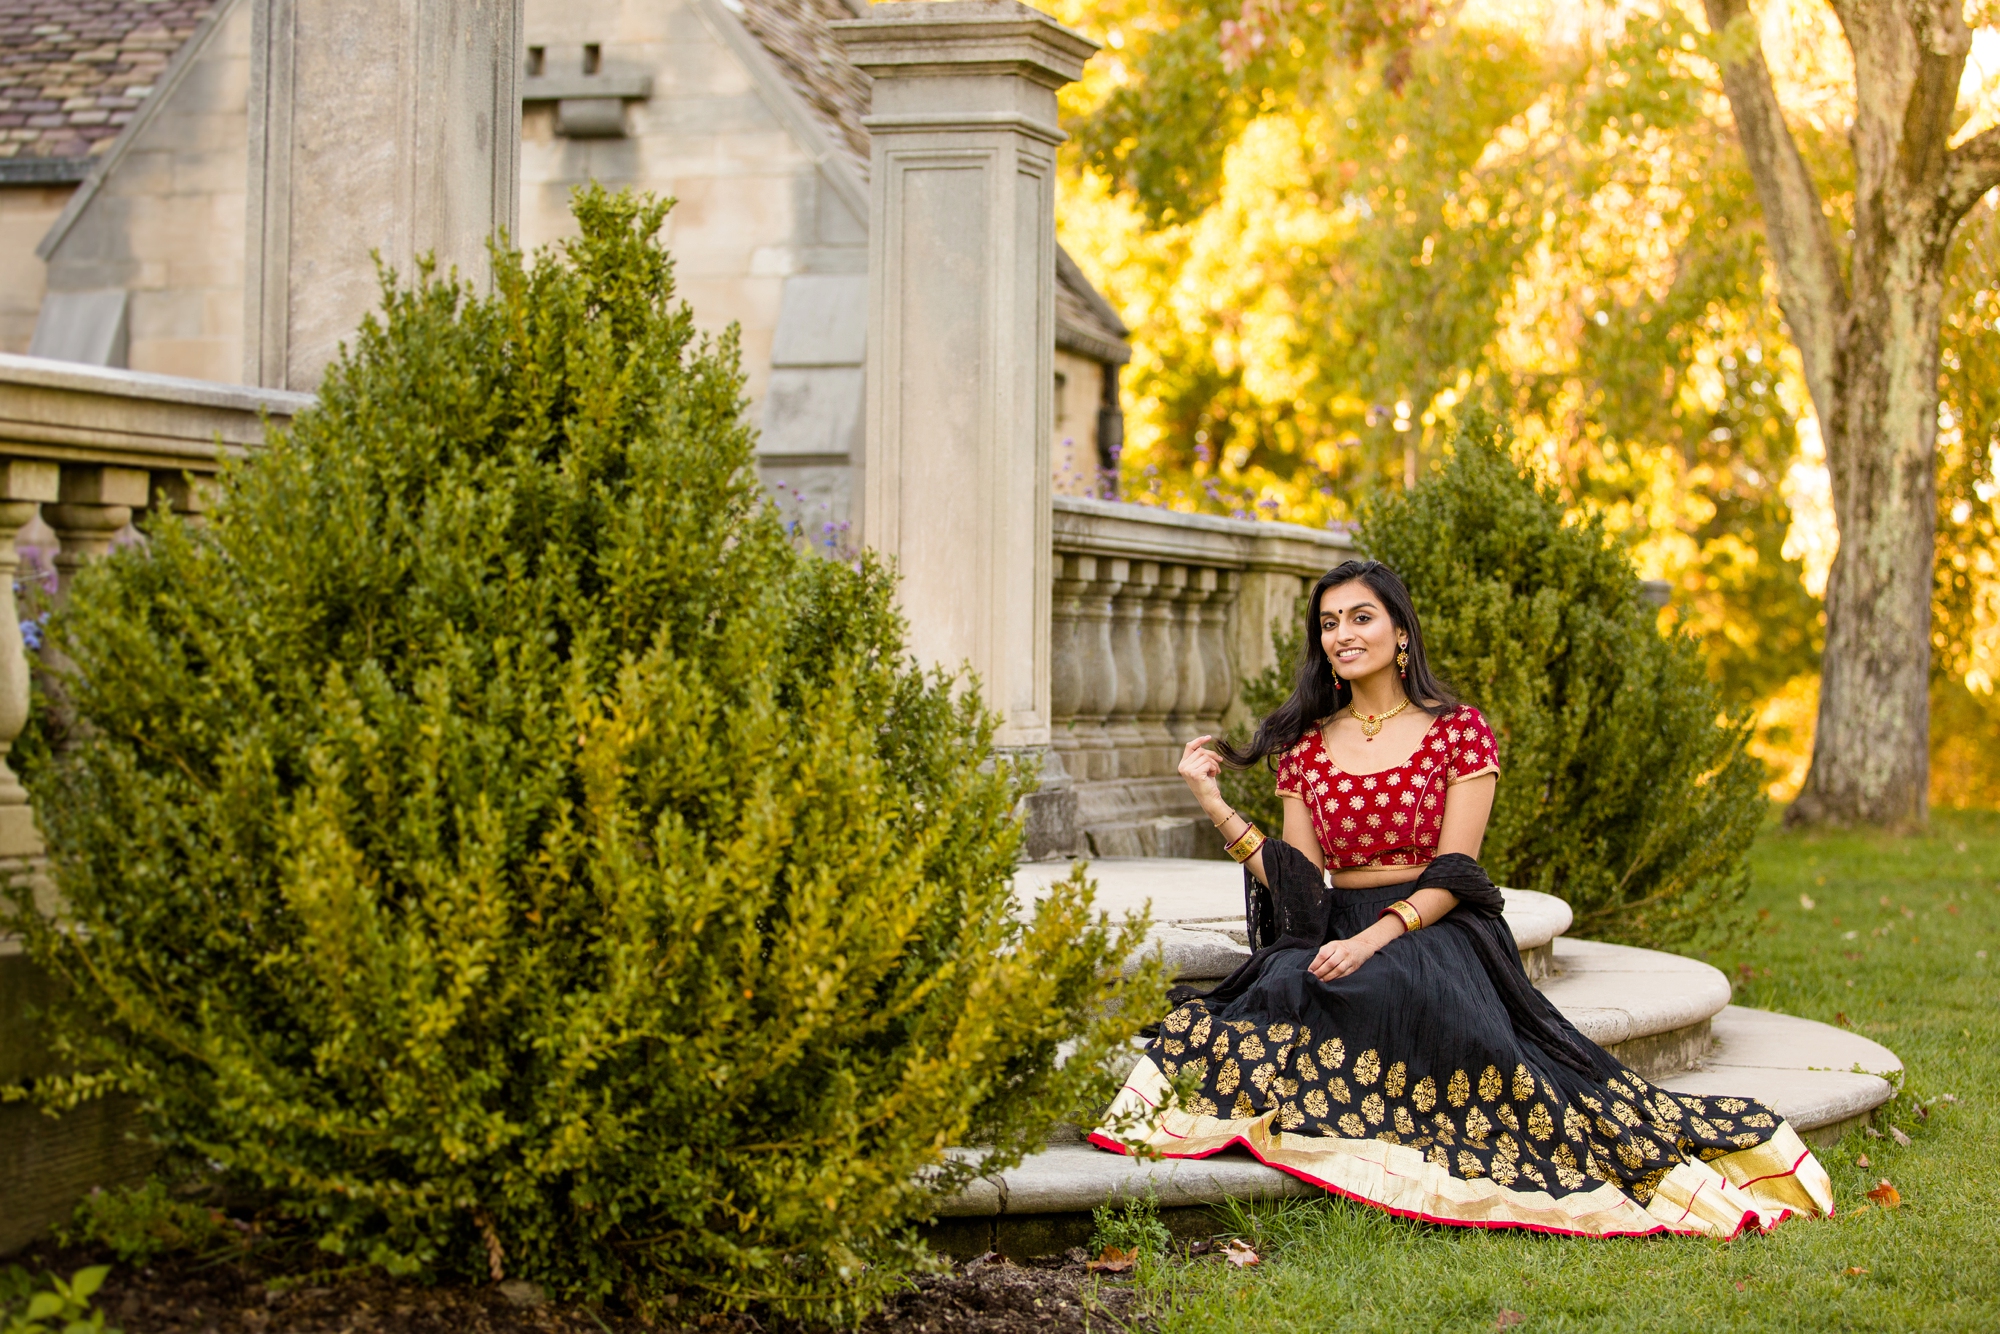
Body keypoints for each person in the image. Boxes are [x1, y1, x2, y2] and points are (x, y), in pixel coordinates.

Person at [1089, 559, 1832, 1237]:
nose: (1342, 634)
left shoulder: (1458, 733)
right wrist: (1212, 801)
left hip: (1431, 925)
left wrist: (1373, 939)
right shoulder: (1306, 745)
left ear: (1400, 631)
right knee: (1281, 990)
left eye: (1360, 617)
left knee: (1381, 988)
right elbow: (1301, 890)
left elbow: (1455, 869)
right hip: (1335, 925)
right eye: (1329, 623)